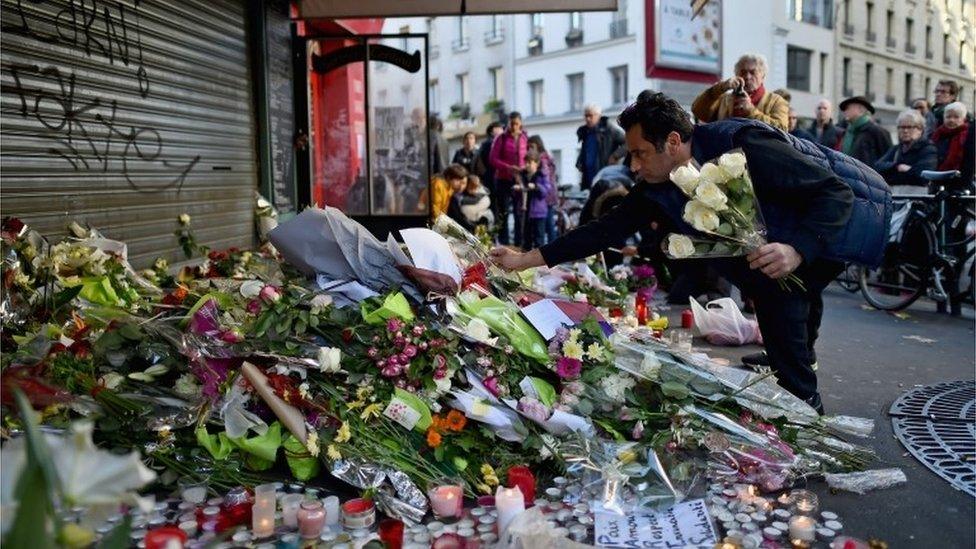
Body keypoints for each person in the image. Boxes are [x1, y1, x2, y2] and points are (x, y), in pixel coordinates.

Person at [491, 90, 891, 412]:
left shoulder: (745, 145)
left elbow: (834, 192)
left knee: (791, 357)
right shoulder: (658, 182)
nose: (632, 165)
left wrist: (797, 249)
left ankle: (807, 424)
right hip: (769, 269)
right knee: (788, 333)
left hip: (809, 246)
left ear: (673, 141)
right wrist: (525, 259)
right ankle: (799, 396)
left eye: (639, 152)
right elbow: (603, 230)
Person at [691, 53, 789, 131]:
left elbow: (782, 129)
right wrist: (720, 87)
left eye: (753, 72)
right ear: (737, 74)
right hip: (725, 153)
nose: (747, 77)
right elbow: (698, 110)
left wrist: (751, 111)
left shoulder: (777, 101)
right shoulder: (725, 99)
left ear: (763, 76)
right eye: (743, 72)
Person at [489, 112, 529, 245]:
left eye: (516, 124)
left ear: (520, 124)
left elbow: (528, 157)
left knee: (519, 213)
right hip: (503, 179)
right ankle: (504, 242)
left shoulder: (524, 137)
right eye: (511, 123)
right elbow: (493, 159)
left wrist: (524, 167)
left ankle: (519, 243)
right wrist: (509, 167)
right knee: (504, 213)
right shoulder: (501, 138)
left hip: (519, 179)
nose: (513, 126)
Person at [874, 110, 938, 190]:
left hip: (918, 198)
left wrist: (893, 174)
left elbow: (923, 177)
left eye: (910, 127)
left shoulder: (928, 149)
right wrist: (897, 166)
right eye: (902, 127)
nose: (905, 131)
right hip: (895, 195)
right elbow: (877, 168)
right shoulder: (896, 149)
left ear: (920, 130)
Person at [576, 104, 626, 190]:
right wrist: (580, 161)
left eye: (590, 116)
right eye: (586, 116)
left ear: (598, 116)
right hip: (588, 177)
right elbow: (585, 150)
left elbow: (628, 142)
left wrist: (616, 155)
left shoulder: (609, 129)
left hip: (605, 176)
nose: (588, 119)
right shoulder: (585, 132)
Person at [512, 152, 551, 251]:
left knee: (539, 238)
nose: (527, 165)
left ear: (537, 163)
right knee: (526, 237)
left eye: (530, 162)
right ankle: (526, 260)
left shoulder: (542, 175)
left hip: (538, 212)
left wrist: (536, 187)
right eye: (526, 162)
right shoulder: (523, 175)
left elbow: (546, 191)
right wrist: (518, 188)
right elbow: (518, 191)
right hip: (525, 211)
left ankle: (540, 262)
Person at [838, 95, 891, 165]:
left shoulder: (877, 131)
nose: (845, 111)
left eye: (848, 108)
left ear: (861, 109)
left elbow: (888, 159)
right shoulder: (847, 132)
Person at [528, 135, 559, 244]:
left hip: (546, 195)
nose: (530, 150)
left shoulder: (543, 158)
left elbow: (546, 178)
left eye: (532, 146)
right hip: (549, 193)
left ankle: (554, 249)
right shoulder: (546, 156)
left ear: (538, 145)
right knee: (549, 225)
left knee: (548, 225)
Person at [474, 121, 504, 220]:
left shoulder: (485, 144)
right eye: (499, 128)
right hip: (494, 178)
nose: (502, 130)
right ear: (493, 131)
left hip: (489, 178)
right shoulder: (490, 143)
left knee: (493, 205)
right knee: (498, 206)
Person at [932, 102, 970, 172]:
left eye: (956, 117)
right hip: (934, 174)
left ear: (963, 119)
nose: (951, 120)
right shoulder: (938, 133)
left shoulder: (968, 136)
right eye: (948, 117)